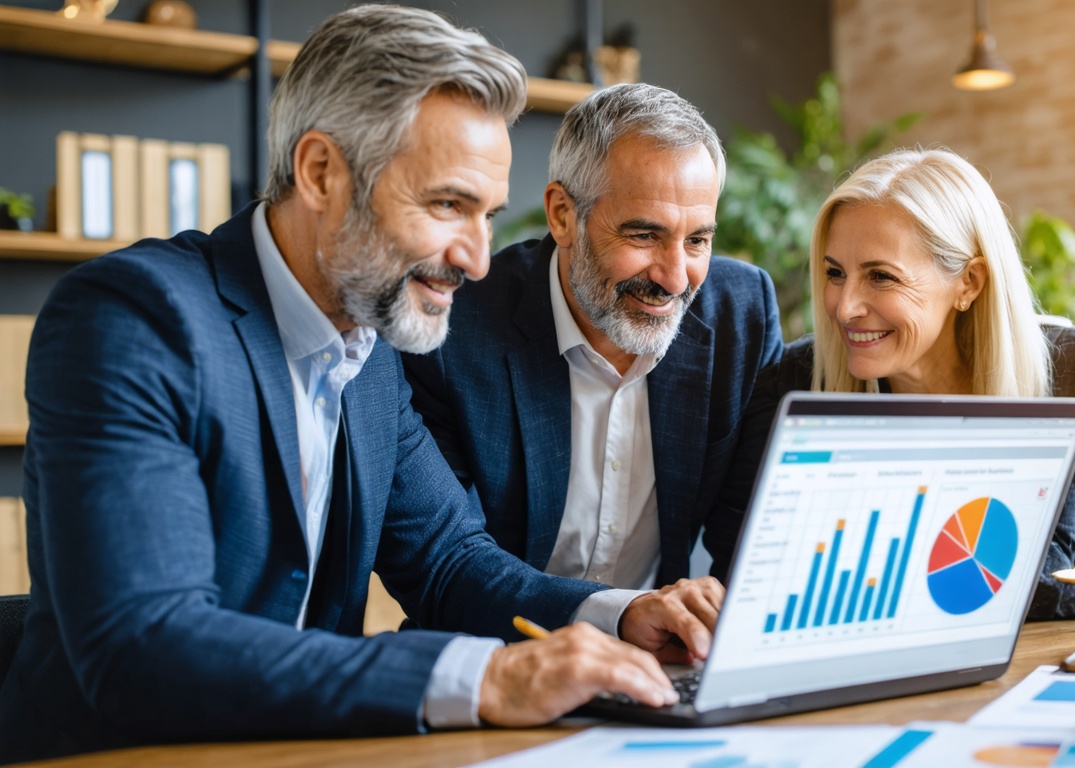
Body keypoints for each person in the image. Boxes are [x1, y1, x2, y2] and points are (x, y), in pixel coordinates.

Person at [0, 7, 722, 763]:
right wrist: (485, 678)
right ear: (321, 173)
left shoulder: (370, 345)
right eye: (446, 205)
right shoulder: (133, 320)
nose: (477, 259)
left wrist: (623, 614)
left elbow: (447, 559)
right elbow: (140, 646)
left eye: (487, 215)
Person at [722, 147, 1075, 620]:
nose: (844, 308)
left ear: (969, 282)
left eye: (881, 276)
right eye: (835, 273)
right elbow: (740, 570)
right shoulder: (799, 379)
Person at [402, 83, 783, 589]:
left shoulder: (742, 313)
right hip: (500, 652)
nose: (674, 278)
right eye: (644, 234)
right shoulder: (455, 329)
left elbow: (752, 538)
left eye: (697, 240)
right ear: (563, 215)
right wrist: (619, 618)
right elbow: (447, 566)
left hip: (658, 656)